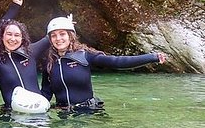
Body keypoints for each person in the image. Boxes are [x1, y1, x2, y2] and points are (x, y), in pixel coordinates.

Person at [39, 14, 167, 112]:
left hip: (88, 112)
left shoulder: (85, 55)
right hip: (64, 113)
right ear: (50, 39)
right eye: (54, 35)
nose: (58, 39)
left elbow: (118, 62)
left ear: (71, 36)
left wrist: (152, 57)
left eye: (62, 34)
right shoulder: (49, 63)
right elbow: (46, 93)